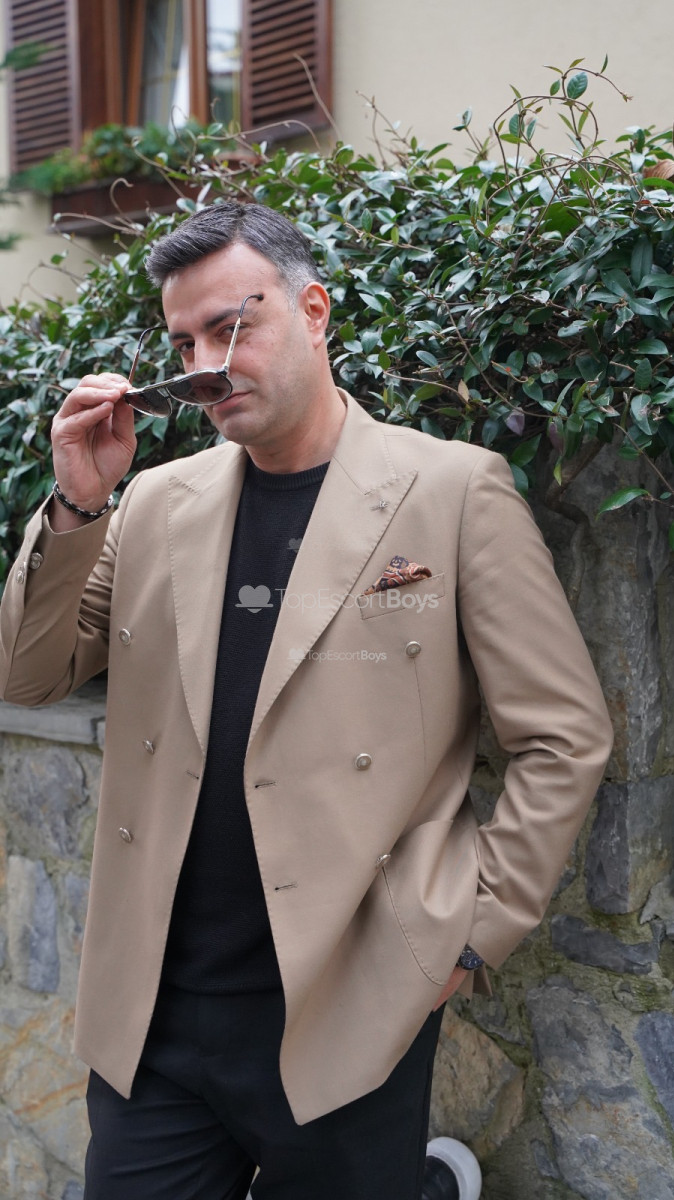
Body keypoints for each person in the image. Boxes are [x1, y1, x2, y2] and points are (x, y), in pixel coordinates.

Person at [0, 202, 613, 1200]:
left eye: (231, 327)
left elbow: (563, 735)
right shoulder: (152, 503)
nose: (205, 365)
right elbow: (27, 677)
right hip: (154, 1014)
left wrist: (466, 940)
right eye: (184, 343)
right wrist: (76, 504)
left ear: (313, 310)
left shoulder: (452, 491)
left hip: (349, 1005)